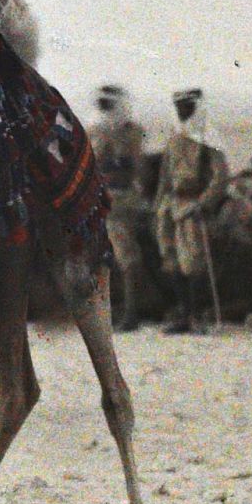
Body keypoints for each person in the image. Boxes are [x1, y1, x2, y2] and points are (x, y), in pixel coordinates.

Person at [153, 87, 228, 335]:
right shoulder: (175, 137)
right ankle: (183, 314)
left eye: (187, 107)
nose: (182, 111)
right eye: (179, 107)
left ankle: (197, 316)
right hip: (170, 207)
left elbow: (220, 177)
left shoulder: (209, 139)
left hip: (193, 206)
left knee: (193, 263)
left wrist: (204, 203)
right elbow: (165, 175)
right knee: (171, 260)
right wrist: (158, 207)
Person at [90, 84, 150, 332]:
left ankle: (131, 313)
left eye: (108, 104)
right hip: (97, 199)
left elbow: (139, 168)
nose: (104, 109)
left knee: (126, 257)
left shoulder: (131, 132)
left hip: (120, 198)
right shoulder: (94, 131)